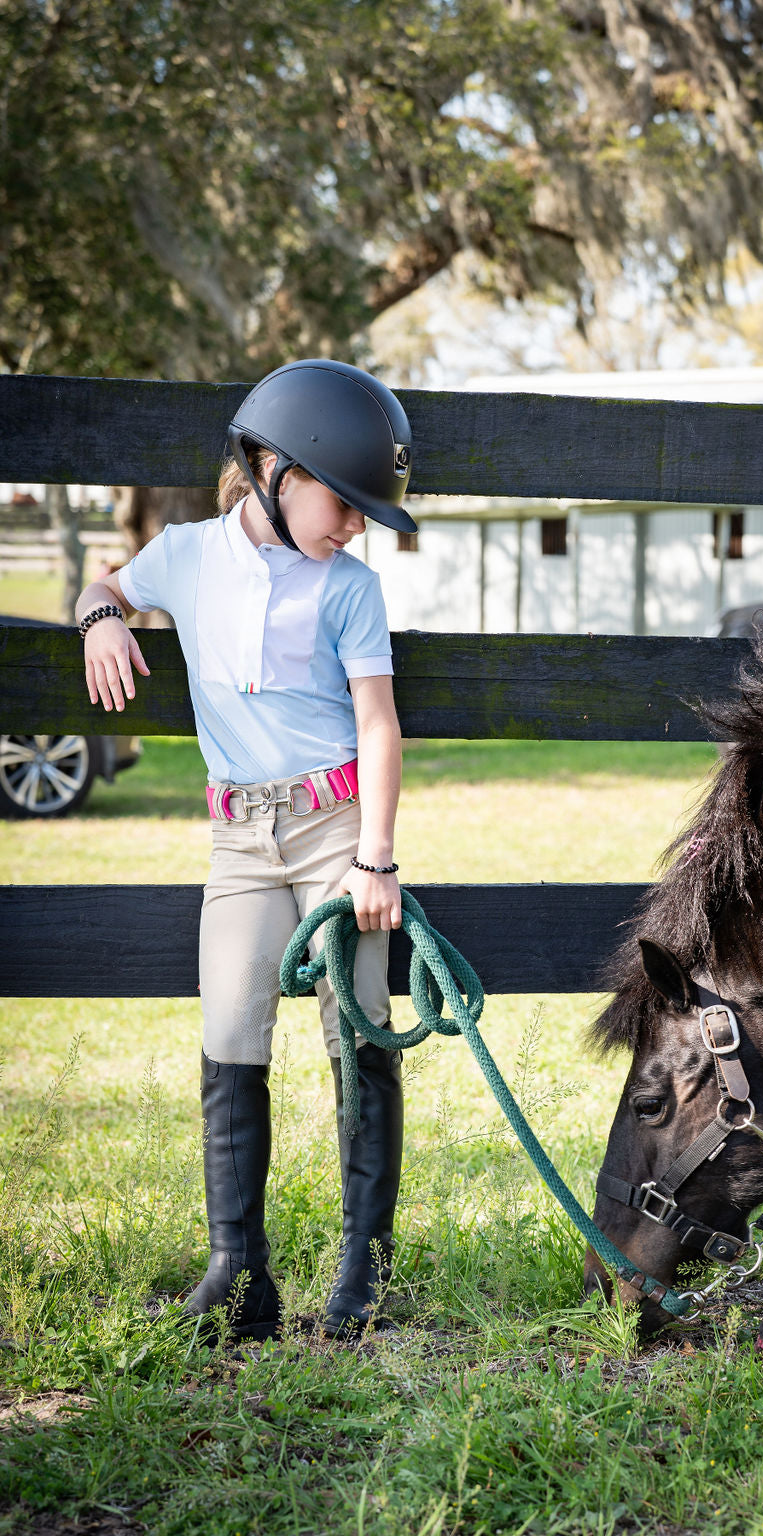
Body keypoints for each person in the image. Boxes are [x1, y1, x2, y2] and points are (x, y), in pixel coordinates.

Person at [75, 359, 416, 1343]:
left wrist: (377, 859)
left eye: (364, 510)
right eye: (341, 502)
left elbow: (379, 726)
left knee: (358, 1029)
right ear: (273, 468)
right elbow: (110, 583)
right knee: (229, 1034)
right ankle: (239, 1271)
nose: (353, 525)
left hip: (336, 831)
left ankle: (364, 1267)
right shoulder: (184, 556)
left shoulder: (349, 590)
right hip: (239, 840)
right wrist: (101, 617)